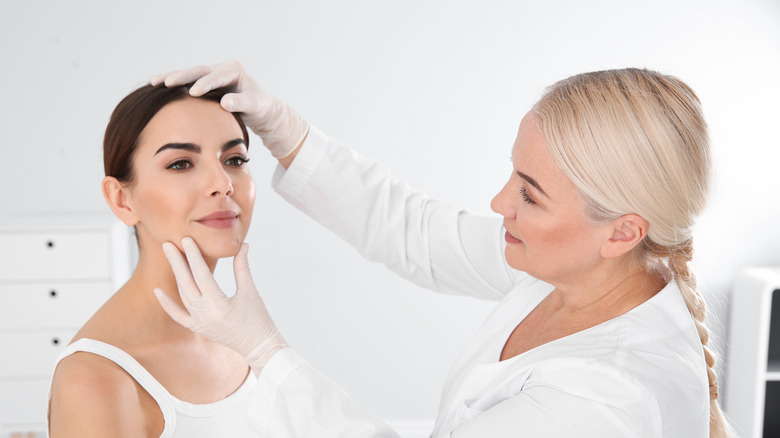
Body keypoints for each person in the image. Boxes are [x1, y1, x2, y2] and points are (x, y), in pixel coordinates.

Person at [150, 61, 733, 437]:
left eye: (530, 195)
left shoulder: (605, 398)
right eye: (513, 174)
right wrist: (285, 130)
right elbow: (417, 233)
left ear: (622, 231)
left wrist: (264, 349)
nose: (500, 201)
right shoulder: (578, 268)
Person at [48, 83, 263, 437]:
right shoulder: (95, 378)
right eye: (181, 164)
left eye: (234, 159)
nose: (223, 183)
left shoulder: (245, 340)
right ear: (121, 200)